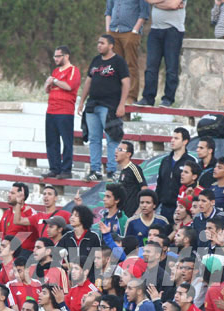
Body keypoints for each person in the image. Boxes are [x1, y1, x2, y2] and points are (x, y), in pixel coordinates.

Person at [79, 34, 130, 181]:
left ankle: (112, 171)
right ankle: (95, 170)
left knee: (112, 139)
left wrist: (122, 104)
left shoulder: (118, 61)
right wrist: (82, 101)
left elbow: (126, 83)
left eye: (102, 43)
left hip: (109, 107)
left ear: (111, 45)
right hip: (92, 106)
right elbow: (88, 81)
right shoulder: (96, 60)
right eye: (98, 43)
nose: (99, 45)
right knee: (94, 139)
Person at [136, 0, 185, 108]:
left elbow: (173, 5)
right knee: (151, 67)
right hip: (155, 30)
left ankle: (168, 99)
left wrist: (156, 3)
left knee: (171, 67)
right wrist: (164, 2)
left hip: (173, 30)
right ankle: (148, 98)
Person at [44, 45, 81, 179]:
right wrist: (48, 83)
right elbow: (47, 89)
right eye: (54, 56)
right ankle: (54, 168)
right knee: (51, 141)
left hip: (65, 111)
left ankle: (66, 169)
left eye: (58, 56)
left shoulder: (73, 70)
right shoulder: (55, 71)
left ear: (66, 56)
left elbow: (69, 86)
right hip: (51, 110)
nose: (56, 59)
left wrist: (54, 81)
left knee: (66, 141)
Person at [105, 0, 148, 104]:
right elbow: (108, 11)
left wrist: (135, 30)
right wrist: (108, 30)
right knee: (114, 65)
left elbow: (144, 13)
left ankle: (131, 96)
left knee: (130, 64)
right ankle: (115, 95)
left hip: (130, 32)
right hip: (113, 31)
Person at [155, 127, 196, 223]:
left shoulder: (190, 161)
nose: (172, 140)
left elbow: (193, 184)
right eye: (172, 138)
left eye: (176, 138)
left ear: (185, 141)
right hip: (164, 208)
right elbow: (160, 184)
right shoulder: (165, 160)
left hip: (182, 208)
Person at [116, 142, 148, 217]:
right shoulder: (122, 171)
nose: (116, 152)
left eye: (120, 150)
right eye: (116, 149)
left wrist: (138, 212)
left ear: (128, 154)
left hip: (133, 214)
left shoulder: (134, 168)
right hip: (123, 214)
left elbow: (144, 188)